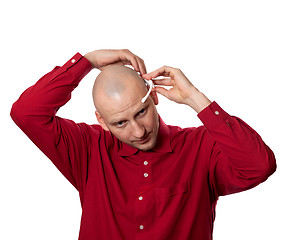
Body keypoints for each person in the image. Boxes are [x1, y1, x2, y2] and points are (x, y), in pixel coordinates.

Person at [10, 49, 276, 240]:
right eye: (120, 123)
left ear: (154, 99)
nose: (138, 131)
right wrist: (87, 62)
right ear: (102, 121)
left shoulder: (200, 146)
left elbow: (259, 166)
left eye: (141, 112)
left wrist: (196, 98)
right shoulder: (87, 149)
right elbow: (26, 113)